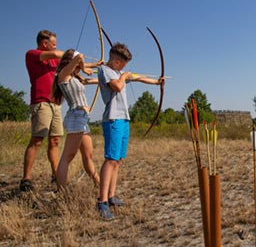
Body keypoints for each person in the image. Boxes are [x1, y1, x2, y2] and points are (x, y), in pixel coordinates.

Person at [96, 43, 164, 219]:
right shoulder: (105, 71)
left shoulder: (120, 73)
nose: (126, 68)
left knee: (117, 160)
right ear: (117, 61)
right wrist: (125, 76)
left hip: (124, 119)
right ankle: (102, 202)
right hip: (113, 119)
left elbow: (140, 77)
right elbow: (117, 87)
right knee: (110, 159)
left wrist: (157, 82)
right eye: (124, 64)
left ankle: (111, 197)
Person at [51, 49, 103, 191]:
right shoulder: (63, 75)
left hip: (82, 119)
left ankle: (99, 185)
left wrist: (102, 69)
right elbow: (80, 56)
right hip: (76, 116)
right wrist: (85, 67)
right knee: (68, 156)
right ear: (70, 61)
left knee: (88, 156)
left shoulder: (75, 78)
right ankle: (62, 192)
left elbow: (95, 79)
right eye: (79, 64)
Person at [21, 30, 64, 191]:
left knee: (55, 141)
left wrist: (95, 65)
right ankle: (26, 179)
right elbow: (57, 54)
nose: (55, 46)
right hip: (41, 103)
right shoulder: (32, 54)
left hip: (56, 103)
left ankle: (55, 175)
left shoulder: (54, 62)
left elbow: (69, 67)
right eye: (53, 43)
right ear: (44, 44)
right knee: (37, 140)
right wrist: (73, 55)